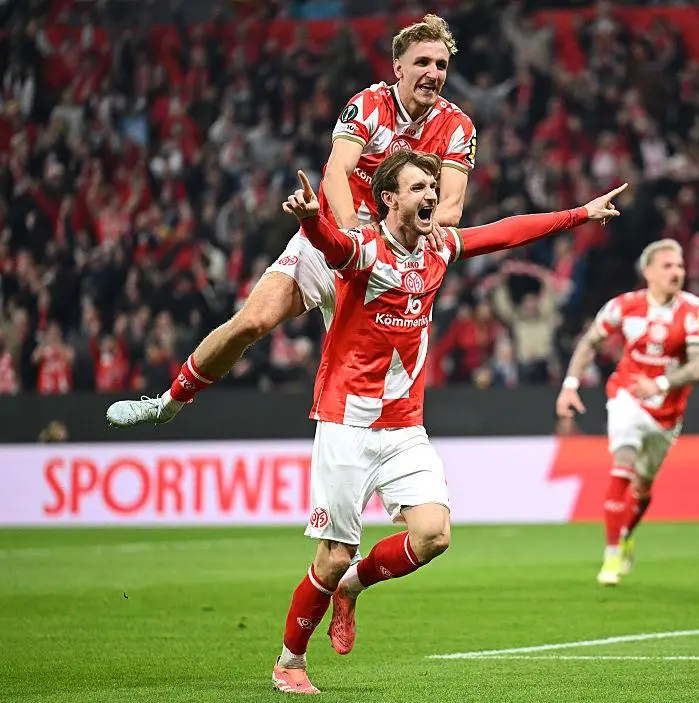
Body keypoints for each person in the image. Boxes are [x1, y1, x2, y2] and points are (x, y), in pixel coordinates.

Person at [272, 152, 627, 693]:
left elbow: (506, 233)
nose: (432, 196)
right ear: (388, 198)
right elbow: (333, 246)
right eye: (418, 188)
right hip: (346, 423)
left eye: (433, 187)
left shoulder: (437, 247)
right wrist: (309, 218)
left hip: (404, 427)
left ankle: (353, 586)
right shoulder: (364, 249)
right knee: (332, 554)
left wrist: (580, 213)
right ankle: (290, 662)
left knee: (434, 534)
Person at [104, 14, 476, 427]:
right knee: (252, 322)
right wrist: (354, 237)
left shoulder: (457, 126)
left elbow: (450, 208)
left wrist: (394, 247)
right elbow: (336, 173)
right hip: (333, 244)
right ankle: (168, 403)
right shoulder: (370, 105)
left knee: (379, 388)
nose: (433, 73)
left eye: (441, 65)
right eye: (422, 62)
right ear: (398, 67)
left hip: (390, 267)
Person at [555, 238, 699, 586]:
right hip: (626, 396)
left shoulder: (693, 311)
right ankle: (611, 554)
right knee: (622, 464)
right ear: (649, 272)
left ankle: (626, 535)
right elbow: (589, 341)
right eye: (668, 266)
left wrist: (661, 384)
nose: (677, 272)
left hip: (667, 412)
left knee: (642, 486)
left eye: (680, 266)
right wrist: (570, 385)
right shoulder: (624, 306)